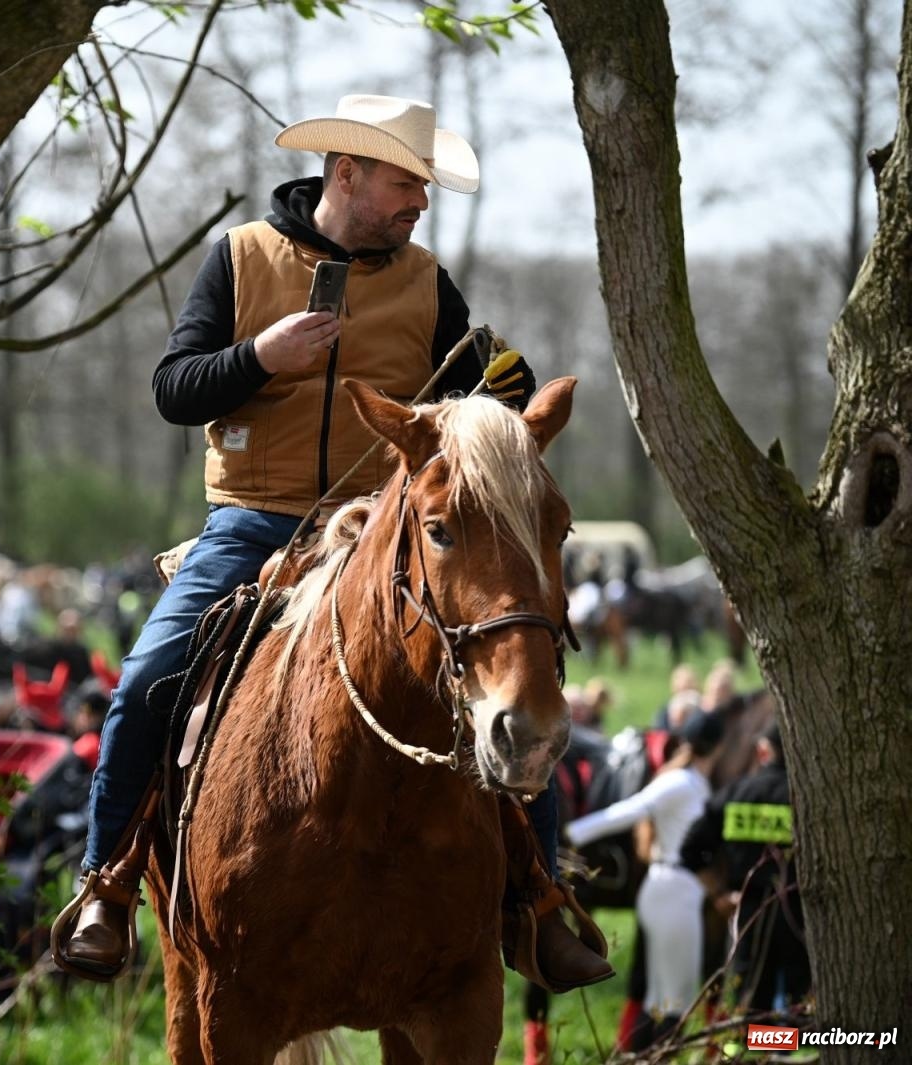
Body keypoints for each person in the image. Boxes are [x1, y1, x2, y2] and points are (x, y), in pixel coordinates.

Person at [57, 95, 610, 992]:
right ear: (344, 173)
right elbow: (172, 389)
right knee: (148, 678)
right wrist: (260, 357)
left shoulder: (431, 283)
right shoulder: (239, 259)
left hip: (382, 529)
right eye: (405, 182)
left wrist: (504, 401)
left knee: (513, 670)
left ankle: (539, 901)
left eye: (424, 186)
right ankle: (107, 884)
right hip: (255, 517)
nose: (419, 202)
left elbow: (475, 424)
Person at [567, 709, 727, 1044]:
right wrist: (573, 833)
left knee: (659, 999)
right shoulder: (683, 783)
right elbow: (630, 811)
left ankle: (636, 1054)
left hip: (665, 891)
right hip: (676, 894)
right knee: (675, 1001)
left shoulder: (685, 780)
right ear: (718, 748)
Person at [681, 720, 808, 1016]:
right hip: (800, 913)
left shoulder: (736, 792)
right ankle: (789, 1055)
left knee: (751, 999)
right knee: (798, 999)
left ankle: (758, 1053)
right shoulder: (808, 798)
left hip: (749, 911)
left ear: (763, 752)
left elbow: (690, 849)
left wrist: (719, 894)